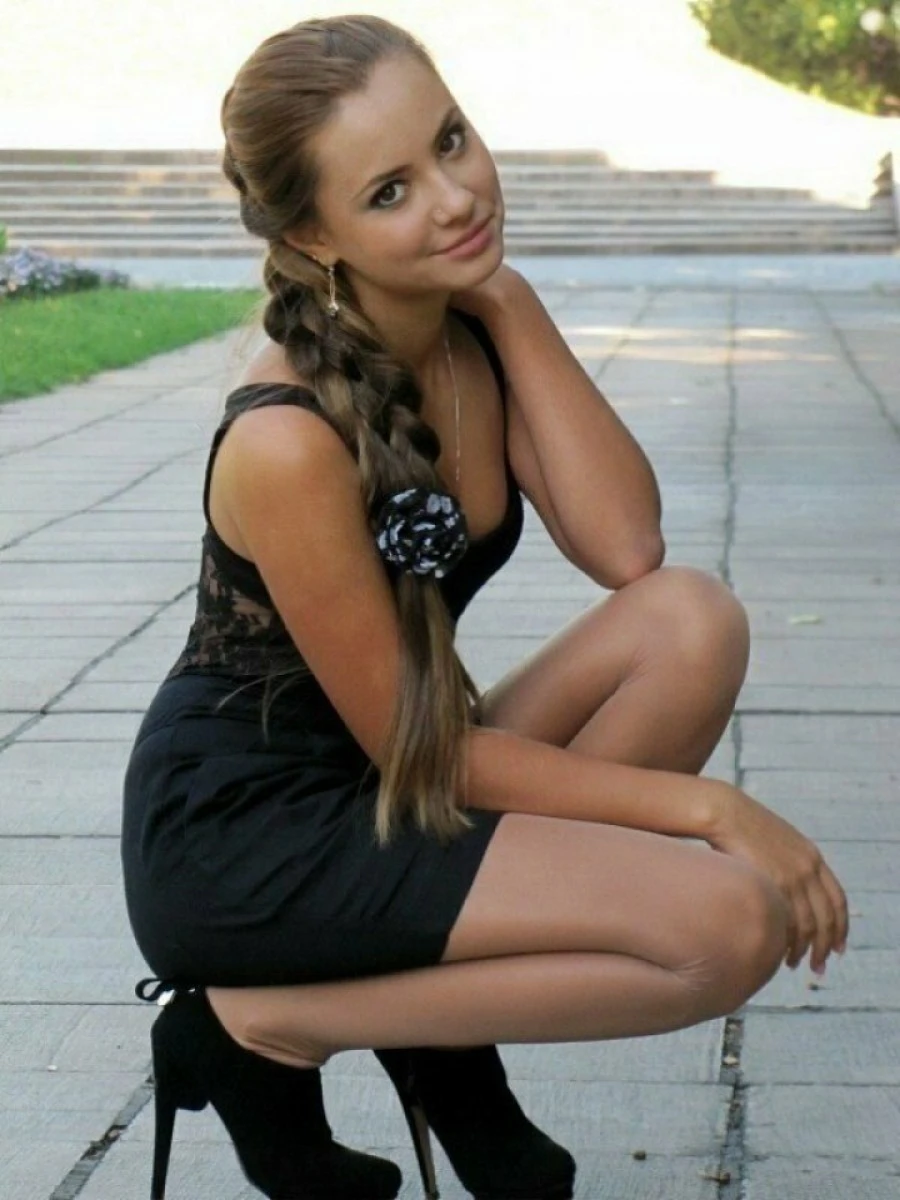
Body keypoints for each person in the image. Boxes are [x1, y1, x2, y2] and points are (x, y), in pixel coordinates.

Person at [121, 14, 849, 1200]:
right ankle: (256, 1025)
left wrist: (507, 302)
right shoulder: (286, 442)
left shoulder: (469, 333)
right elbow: (428, 754)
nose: (456, 197)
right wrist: (712, 809)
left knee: (691, 621)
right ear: (313, 237)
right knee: (729, 926)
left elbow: (628, 548)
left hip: (388, 784)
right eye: (392, 190)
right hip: (251, 839)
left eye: (452, 140)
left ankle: (433, 1031)